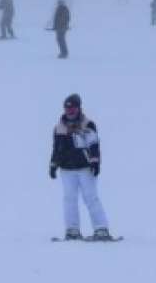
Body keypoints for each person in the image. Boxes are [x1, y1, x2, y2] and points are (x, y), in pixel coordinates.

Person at [49, 93, 112, 241]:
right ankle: (72, 230)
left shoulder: (87, 124)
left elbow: (94, 144)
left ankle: (101, 228)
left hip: (85, 168)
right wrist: (53, 164)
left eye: (73, 109)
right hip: (66, 169)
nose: (70, 112)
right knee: (69, 199)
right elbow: (56, 148)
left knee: (91, 197)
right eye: (67, 109)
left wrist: (95, 162)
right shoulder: (59, 127)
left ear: (79, 109)